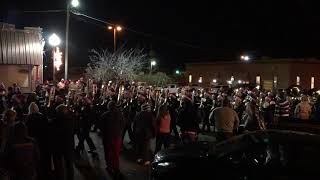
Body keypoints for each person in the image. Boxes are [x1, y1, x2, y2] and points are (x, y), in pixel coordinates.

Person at [25, 102, 51, 179]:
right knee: (42, 157)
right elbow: (47, 128)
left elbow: (27, 130)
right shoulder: (42, 117)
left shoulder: (28, 118)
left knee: (35, 158)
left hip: (33, 140)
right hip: (42, 140)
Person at [100, 101, 125, 178]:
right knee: (116, 153)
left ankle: (109, 166)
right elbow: (123, 125)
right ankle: (116, 167)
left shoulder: (104, 115)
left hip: (108, 137)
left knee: (108, 152)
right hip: (117, 137)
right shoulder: (120, 115)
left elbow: (101, 126)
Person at [51, 104, 75, 180]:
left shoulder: (54, 121)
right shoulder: (71, 120)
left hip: (58, 145)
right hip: (68, 144)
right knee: (69, 163)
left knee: (59, 164)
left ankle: (60, 177)